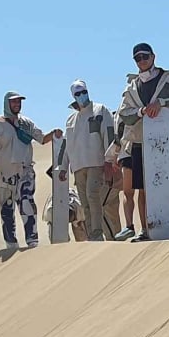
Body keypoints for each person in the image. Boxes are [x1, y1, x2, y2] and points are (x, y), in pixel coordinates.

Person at [117, 42, 169, 241]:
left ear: (153, 56)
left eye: (145, 56)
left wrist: (162, 104)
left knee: (168, 185)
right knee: (143, 189)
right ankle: (146, 230)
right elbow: (124, 113)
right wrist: (141, 111)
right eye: (137, 58)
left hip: (164, 141)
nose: (142, 61)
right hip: (140, 142)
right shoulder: (131, 88)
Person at [0, 92, 62, 248]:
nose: (17, 104)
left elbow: (41, 138)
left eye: (19, 102)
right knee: (7, 209)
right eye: (14, 102)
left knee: (27, 204)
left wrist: (53, 134)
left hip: (25, 171)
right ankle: (10, 243)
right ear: (7, 104)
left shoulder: (26, 123)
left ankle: (32, 240)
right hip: (4, 175)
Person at [62, 79, 117, 241]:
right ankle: (91, 233)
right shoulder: (71, 120)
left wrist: (109, 159)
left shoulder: (100, 110)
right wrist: (63, 167)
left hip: (96, 162)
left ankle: (97, 232)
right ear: (73, 96)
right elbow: (67, 146)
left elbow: (109, 135)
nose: (82, 96)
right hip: (78, 166)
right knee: (84, 202)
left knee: (93, 196)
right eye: (78, 94)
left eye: (84, 92)